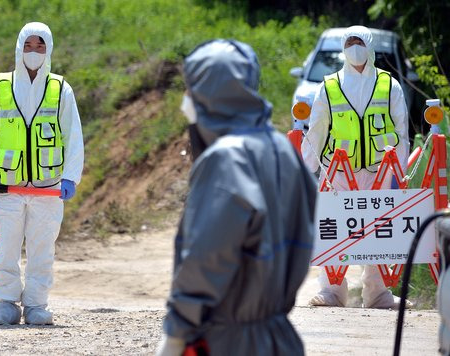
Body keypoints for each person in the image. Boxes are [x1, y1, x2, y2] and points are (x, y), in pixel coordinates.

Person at [156, 39, 317, 356]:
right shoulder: (284, 150)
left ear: (209, 92)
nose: (186, 100)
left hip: (227, 342)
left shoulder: (227, 160)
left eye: (190, 89)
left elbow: (208, 257)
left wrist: (178, 331)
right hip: (279, 337)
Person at [0, 22, 84, 325]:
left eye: (40, 46)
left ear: (49, 50)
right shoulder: (1, 86)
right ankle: (6, 303)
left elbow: (73, 135)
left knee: (41, 248)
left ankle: (36, 304)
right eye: (29, 46)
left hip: (48, 187)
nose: (33, 52)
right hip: (8, 184)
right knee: (5, 246)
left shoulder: (60, 88)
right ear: (19, 47)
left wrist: (71, 176)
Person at [301, 25, 410, 308]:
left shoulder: (390, 85)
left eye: (359, 41)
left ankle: (377, 293)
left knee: (378, 230)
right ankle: (331, 291)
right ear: (343, 47)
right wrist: (308, 164)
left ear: (370, 45)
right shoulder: (329, 86)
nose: (354, 47)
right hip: (338, 171)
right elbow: (317, 128)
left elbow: (401, 129)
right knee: (335, 228)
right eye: (349, 42)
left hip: (379, 171)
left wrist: (399, 169)